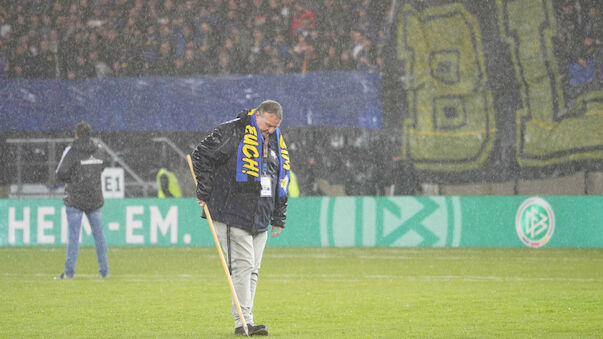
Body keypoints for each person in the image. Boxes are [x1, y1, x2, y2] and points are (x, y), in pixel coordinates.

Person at [190, 100, 290, 336]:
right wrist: (204, 189)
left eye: (274, 127)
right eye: (267, 125)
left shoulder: (276, 140)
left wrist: (278, 214)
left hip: (260, 215)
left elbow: (279, 177)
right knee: (244, 267)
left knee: (252, 269)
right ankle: (244, 322)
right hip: (230, 211)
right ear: (258, 115)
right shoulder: (232, 130)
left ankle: (245, 320)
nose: (269, 131)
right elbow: (201, 155)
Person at [54, 121, 109, 279]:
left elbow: (60, 173)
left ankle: (69, 273)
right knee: (99, 236)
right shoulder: (98, 150)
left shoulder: (71, 150)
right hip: (94, 198)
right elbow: (102, 167)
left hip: (75, 199)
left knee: (73, 237)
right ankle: (104, 272)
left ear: (76, 134)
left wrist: (74, 178)